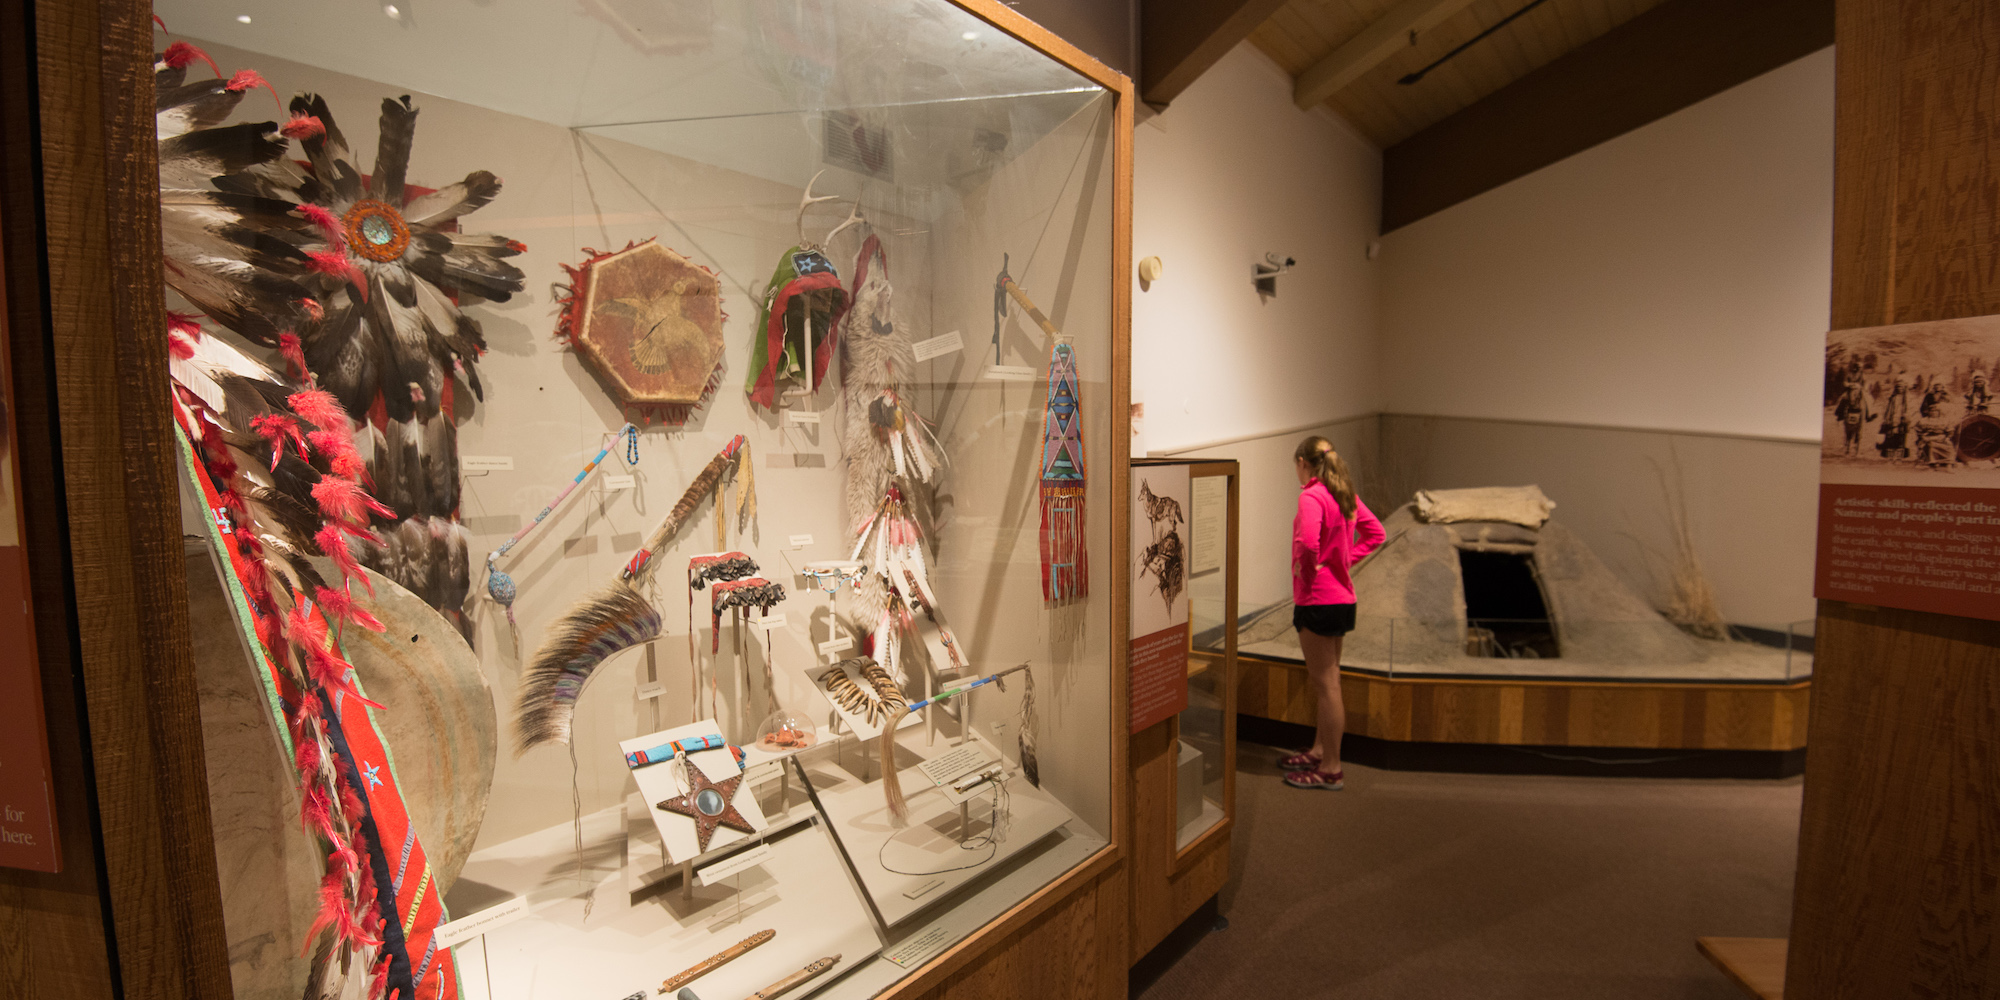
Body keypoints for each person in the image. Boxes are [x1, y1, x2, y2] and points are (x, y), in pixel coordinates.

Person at [1280, 437, 1385, 790]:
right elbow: (1376, 534)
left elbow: (1308, 544)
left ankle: (1331, 768)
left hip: (1319, 600)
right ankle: (1320, 749)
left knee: (1326, 686)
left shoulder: (1311, 496)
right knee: (1330, 681)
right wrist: (1342, 561)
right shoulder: (1342, 494)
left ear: (1302, 462)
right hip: (1342, 599)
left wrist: (1311, 573)